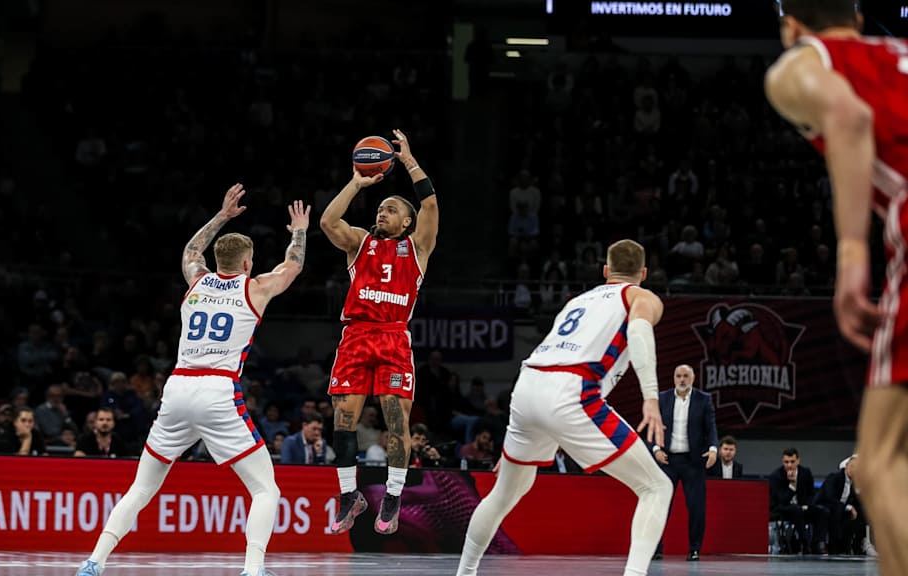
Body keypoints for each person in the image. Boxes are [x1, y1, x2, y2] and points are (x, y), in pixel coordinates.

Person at [75, 185, 309, 576]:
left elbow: (190, 251)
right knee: (265, 488)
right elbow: (293, 265)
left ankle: (93, 561)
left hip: (178, 388)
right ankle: (253, 569)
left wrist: (221, 216)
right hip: (217, 389)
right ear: (247, 262)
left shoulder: (197, 281)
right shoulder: (255, 287)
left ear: (218, 260)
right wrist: (298, 231)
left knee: (141, 487)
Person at [765, 1, 908, 571]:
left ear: (792, 26)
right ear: (859, 19)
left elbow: (848, 116)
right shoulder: (899, 53)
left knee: (881, 461)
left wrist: (851, 256)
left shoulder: (806, 60)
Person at [456, 240, 673, 576]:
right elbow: (640, 332)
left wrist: (521, 437)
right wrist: (651, 397)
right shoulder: (640, 296)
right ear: (643, 273)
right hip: (572, 389)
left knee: (506, 491)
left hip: (528, 386)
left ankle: (465, 572)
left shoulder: (578, 300)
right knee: (656, 487)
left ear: (605, 271)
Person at [320, 129, 439, 535]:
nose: (382, 213)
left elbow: (430, 203)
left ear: (407, 221)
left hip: (392, 337)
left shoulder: (418, 248)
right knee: (343, 419)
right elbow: (328, 221)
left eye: (390, 209)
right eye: (380, 208)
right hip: (356, 335)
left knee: (395, 420)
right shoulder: (360, 243)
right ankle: (348, 496)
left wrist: (408, 161)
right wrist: (357, 182)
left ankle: (392, 495)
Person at [651, 364, 719, 561]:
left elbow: (711, 428)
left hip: (693, 462)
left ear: (693, 378)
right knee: (660, 506)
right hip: (667, 461)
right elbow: (653, 427)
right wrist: (655, 449)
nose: (682, 380)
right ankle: (655, 548)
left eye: (685, 376)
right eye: (678, 376)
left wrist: (713, 449)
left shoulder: (703, 399)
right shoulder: (662, 398)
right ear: (674, 378)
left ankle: (695, 549)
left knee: (697, 507)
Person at [768, 448, 828, 554]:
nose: (789, 465)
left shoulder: (805, 473)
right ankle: (805, 544)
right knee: (796, 510)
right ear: (783, 462)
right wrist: (792, 486)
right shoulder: (776, 476)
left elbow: (811, 494)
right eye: (786, 462)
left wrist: (807, 505)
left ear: (798, 461)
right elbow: (781, 500)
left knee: (822, 512)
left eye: (792, 462)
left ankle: (817, 544)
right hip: (783, 508)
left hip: (802, 506)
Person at [815, 454, 866, 555]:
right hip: (825, 506)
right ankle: (834, 546)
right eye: (852, 466)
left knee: (861, 511)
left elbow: (856, 501)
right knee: (838, 508)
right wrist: (848, 507)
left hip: (840, 509)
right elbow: (830, 497)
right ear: (846, 466)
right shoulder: (834, 477)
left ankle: (857, 545)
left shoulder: (853, 483)